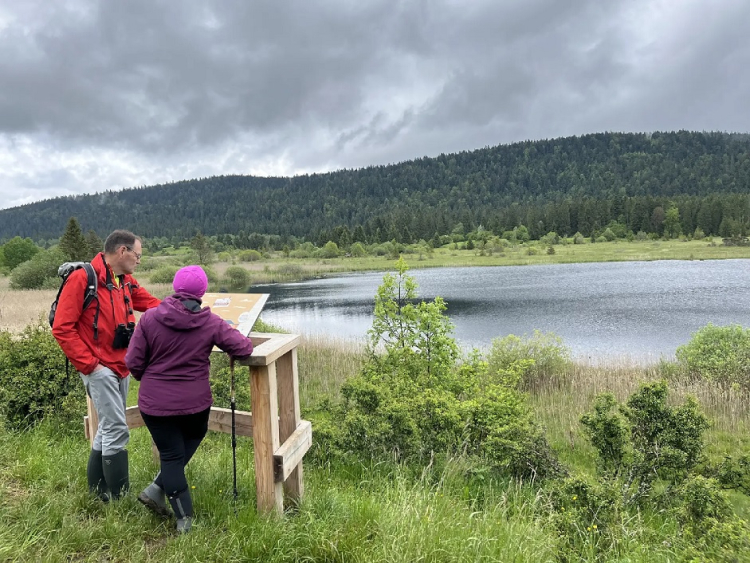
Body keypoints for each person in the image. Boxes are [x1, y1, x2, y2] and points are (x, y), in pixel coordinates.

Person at [125, 265, 253, 533]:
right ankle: (184, 520)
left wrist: (150, 377)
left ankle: (156, 489)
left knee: (171, 455)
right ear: (202, 292)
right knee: (182, 448)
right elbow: (243, 348)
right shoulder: (212, 322)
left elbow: (133, 363)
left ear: (174, 288)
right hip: (195, 405)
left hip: (155, 404)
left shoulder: (149, 319)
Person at [52, 229, 161, 501]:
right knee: (116, 427)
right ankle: (119, 498)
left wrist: (186, 309)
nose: (139, 260)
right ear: (122, 251)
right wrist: (91, 366)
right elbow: (62, 328)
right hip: (99, 369)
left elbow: (151, 304)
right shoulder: (83, 279)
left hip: (122, 366)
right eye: (137, 255)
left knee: (106, 427)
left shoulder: (124, 280)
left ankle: (99, 493)